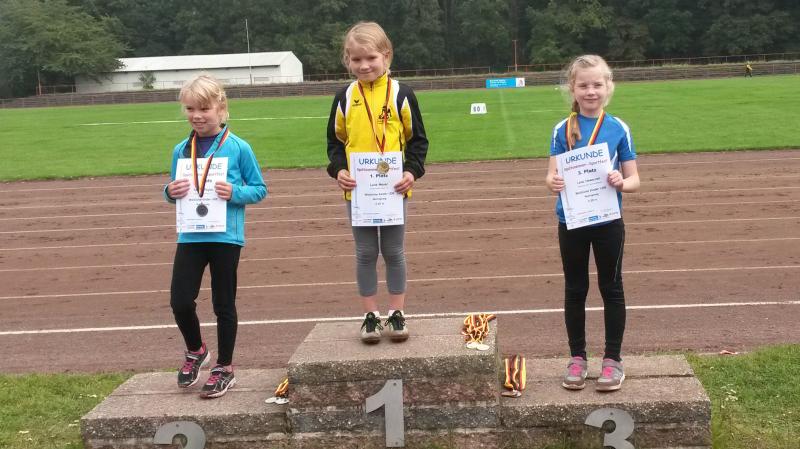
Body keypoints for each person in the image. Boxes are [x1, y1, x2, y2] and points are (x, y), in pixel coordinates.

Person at [164, 74, 267, 398]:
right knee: (180, 301)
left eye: (204, 109)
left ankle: (224, 367)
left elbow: (259, 189)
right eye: (190, 109)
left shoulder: (239, 147)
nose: (197, 115)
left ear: (221, 109)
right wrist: (169, 191)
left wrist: (235, 192)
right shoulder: (182, 150)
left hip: (225, 237)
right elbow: (174, 190)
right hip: (191, 236)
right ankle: (196, 350)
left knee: (224, 303)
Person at [326, 21, 428, 344]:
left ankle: (397, 313)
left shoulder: (401, 94)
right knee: (365, 252)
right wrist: (339, 170)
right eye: (356, 59)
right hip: (358, 192)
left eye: (371, 57)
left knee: (394, 251)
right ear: (347, 60)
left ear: (386, 56)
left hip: (394, 190)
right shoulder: (345, 96)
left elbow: (418, 141)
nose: (364, 65)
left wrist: (411, 171)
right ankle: (370, 316)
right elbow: (334, 142)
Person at [544, 55, 640, 392]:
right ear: (573, 88)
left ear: (608, 87)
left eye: (597, 84)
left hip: (608, 222)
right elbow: (551, 175)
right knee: (575, 289)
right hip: (571, 220)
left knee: (611, 288)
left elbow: (635, 179)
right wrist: (553, 182)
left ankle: (612, 360)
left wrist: (621, 182)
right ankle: (577, 358)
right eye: (583, 85)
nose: (591, 91)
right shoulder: (561, 129)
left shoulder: (618, 128)